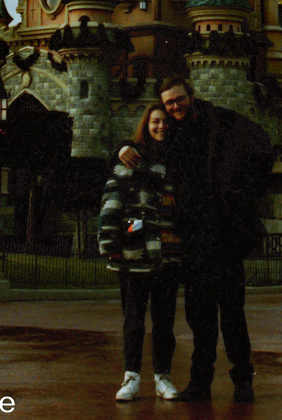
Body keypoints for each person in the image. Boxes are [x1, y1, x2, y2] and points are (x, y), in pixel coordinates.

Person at [119, 75, 274, 404]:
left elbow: (262, 145)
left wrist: (244, 194)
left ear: (190, 94)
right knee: (200, 316)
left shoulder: (221, 120)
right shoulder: (171, 133)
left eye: (178, 99)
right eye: (168, 103)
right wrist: (122, 148)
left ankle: (242, 379)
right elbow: (142, 148)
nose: (174, 106)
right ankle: (200, 382)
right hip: (191, 237)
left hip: (224, 233)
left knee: (232, 313)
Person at [98, 102, 181, 402]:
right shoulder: (132, 157)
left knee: (164, 320)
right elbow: (113, 199)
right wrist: (110, 243)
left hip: (169, 252)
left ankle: (163, 377)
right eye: (156, 122)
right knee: (133, 318)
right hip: (135, 252)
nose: (161, 127)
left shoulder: (178, 161)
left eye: (166, 123)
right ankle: (131, 377)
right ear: (146, 125)